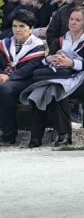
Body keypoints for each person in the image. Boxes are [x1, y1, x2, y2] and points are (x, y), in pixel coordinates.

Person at [21, 5, 84, 147]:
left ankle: (64, 135)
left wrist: (71, 63)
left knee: (59, 91)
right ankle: (35, 137)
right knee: (39, 92)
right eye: (71, 19)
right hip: (57, 77)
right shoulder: (59, 41)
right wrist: (50, 59)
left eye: (78, 20)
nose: (73, 22)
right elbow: (47, 60)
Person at [0, 10, 47, 145]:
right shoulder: (5, 43)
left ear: (31, 28)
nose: (17, 30)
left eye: (22, 26)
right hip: (6, 80)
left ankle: (9, 133)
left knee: (3, 89)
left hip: (28, 81)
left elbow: (30, 68)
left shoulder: (38, 46)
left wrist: (8, 77)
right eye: (14, 26)